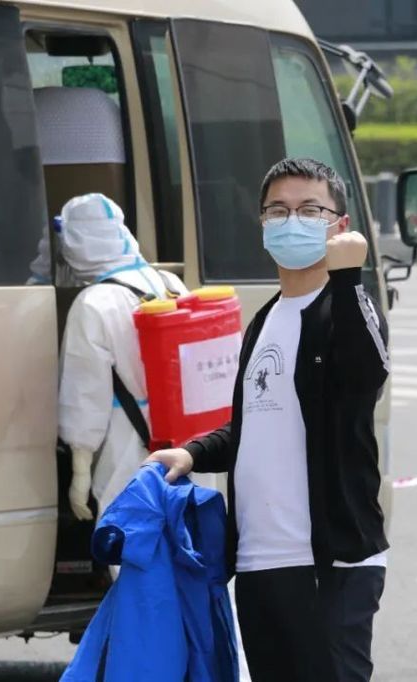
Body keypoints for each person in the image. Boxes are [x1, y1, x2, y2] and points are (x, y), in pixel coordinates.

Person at [148, 158, 390, 682]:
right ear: (261, 223)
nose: (291, 221)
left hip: (329, 563)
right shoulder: (265, 318)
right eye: (277, 211)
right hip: (260, 561)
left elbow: (364, 378)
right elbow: (254, 425)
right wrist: (193, 452)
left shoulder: (346, 307)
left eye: (310, 210)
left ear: (340, 225)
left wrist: (348, 277)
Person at [57, 193, 188, 521]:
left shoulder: (93, 302)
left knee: (133, 543)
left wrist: (80, 474)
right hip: (186, 443)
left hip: (129, 448)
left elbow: (85, 397)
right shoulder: (170, 282)